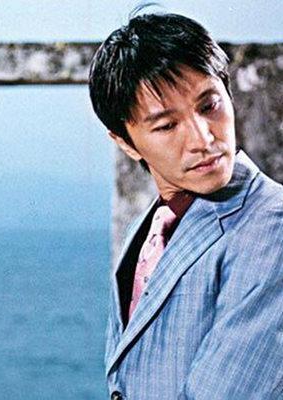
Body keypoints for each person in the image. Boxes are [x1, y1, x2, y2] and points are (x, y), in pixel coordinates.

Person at [88, 12, 283, 400]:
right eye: (166, 125)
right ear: (125, 142)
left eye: (209, 105)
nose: (203, 139)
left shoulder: (272, 226)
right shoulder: (152, 224)